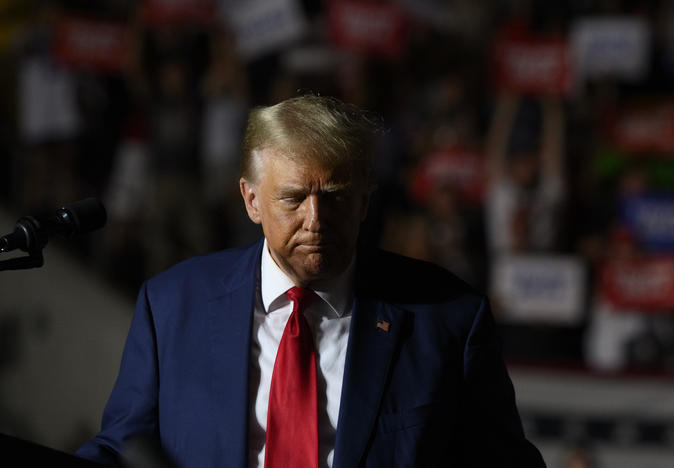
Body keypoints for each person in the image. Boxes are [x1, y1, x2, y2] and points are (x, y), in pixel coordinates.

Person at [76, 95, 545, 467]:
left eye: (335, 198)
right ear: (251, 200)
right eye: (294, 198)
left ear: (364, 201)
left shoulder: (448, 320)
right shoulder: (172, 307)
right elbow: (123, 451)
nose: (315, 219)